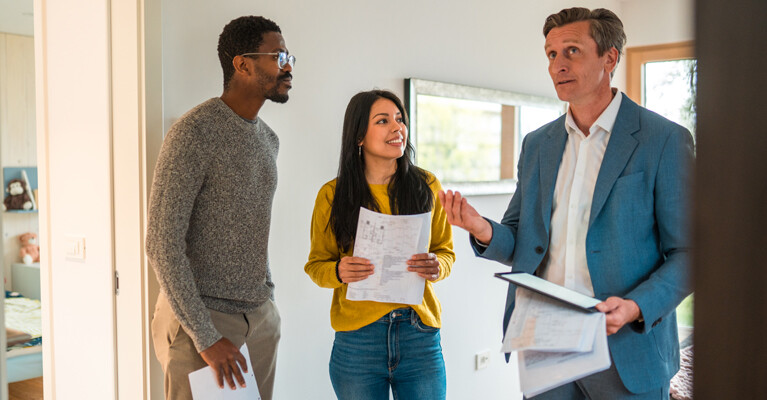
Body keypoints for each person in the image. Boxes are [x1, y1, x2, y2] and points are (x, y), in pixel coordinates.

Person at [440, 7, 694, 400]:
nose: (557, 64)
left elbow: (688, 254)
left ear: (609, 57)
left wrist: (635, 307)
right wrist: (482, 229)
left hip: (626, 348)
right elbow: (524, 241)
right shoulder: (538, 144)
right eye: (551, 54)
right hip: (545, 343)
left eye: (571, 51)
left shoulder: (663, 140)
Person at [146, 15, 294, 400]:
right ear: (242, 64)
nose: (288, 66)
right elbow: (161, 242)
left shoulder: (268, 141)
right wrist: (206, 337)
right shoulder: (194, 132)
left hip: (259, 320)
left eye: (288, 56)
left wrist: (268, 301)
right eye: (278, 56)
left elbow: (252, 230)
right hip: (202, 326)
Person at [305, 90, 456, 400]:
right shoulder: (332, 195)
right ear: (359, 135)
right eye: (383, 121)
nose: (396, 128)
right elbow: (317, 266)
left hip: (419, 335)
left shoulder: (426, 185)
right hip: (359, 341)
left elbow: (446, 251)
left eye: (400, 119)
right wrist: (339, 270)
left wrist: (436, 265)